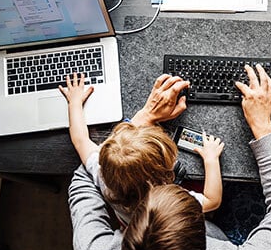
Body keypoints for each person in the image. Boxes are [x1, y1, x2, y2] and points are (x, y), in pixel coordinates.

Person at [67, 65, 271, 250]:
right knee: (248, 193)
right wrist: (262, 126)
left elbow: (84, 178)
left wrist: (141, 122)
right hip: (224, 236)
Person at [59, 73, 225, 225]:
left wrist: (74, 103)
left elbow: (80, 140)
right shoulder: (169, 201)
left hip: (130, 222)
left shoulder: (102, 173)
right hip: (164, 222)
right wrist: (211, 160)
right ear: (165, 173)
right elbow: (212, 200)